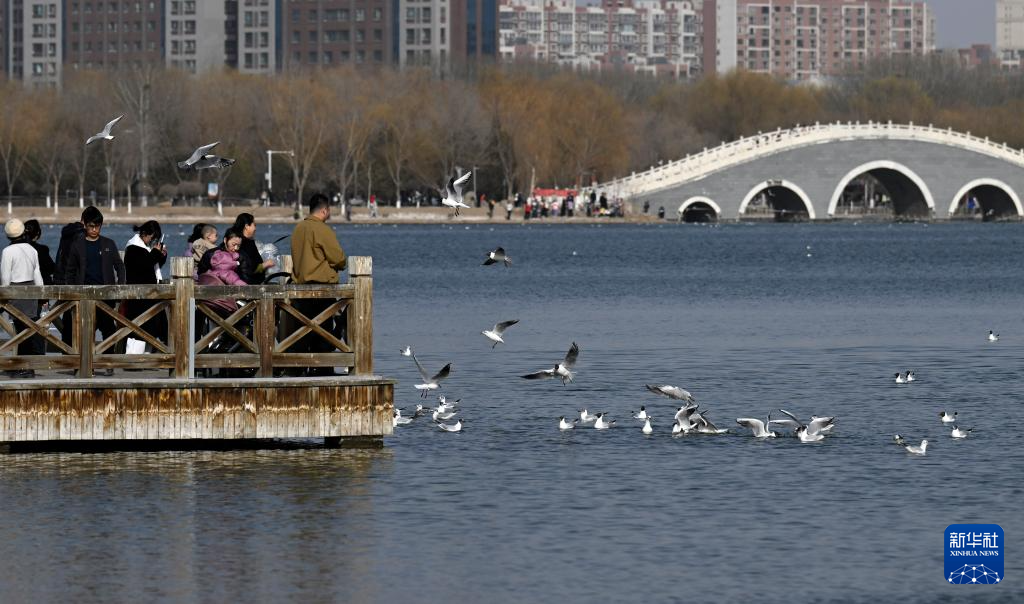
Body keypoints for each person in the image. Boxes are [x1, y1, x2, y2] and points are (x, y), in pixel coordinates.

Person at [64, 206, 126, 375]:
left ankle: (107, 363)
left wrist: (119, 287)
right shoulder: (77, 245)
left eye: (97, 226)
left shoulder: (108, 243)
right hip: (84, 297)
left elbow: (120, 266)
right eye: (91, 226)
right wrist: (72, 292)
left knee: (108, 331)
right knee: (84, 332)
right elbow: (70, 271)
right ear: (84, 225)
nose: (94, 230)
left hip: (106, 296)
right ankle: (84, 365)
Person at [291, 193, 348, 377]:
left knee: (304, 331)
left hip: (300, 289)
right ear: (325, 210)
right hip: (322, 289)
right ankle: (322, 369)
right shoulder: (322, 229)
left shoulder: (298, 228)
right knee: (324, 331)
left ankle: (301, 369)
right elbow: (338, 258)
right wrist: (340, 264)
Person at [1, 219, 44, 378]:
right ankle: (23, 366)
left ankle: (23, 367)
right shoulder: (32, 249)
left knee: (20, 331)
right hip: (31, 291)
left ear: (8, 235)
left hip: (16, 292)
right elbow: (37, 273)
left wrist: (3, 297)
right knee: (28, 330)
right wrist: (42, 294)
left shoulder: (8, 251)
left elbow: (5, 278)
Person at [124, 221, 169, 348]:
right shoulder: (133, 248)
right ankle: (135, 357)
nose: (152, 241)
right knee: (139, 331)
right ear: (144, 233)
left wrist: (162, 255)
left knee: (155, 329)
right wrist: (156, 253)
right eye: (152, 237)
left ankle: (157, 353)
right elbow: (143, 266)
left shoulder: (145, 247)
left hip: (150, 295)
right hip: (139, 297)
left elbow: (153, 265)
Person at [232, 213, 275, 284]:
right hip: (250, 284)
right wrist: (266, 264)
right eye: (254, 225)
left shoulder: (234, 240)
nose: (255, 229)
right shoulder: (246, 243)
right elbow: (251, 269)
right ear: (246, 226)